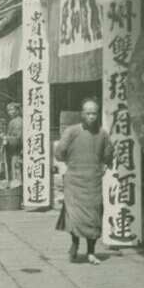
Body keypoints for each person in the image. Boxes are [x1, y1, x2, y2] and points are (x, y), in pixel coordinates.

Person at [56, 98, 114, 263]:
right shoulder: (72, 132)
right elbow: (59, 152)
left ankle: (91, 252)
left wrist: (105, 163)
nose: (91, 117)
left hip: (93, 181)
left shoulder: (102, 134)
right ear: (82, 114)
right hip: (74, 181)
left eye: (94, 113)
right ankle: (74, 244)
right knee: (74, 216)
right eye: (88, 113)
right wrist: (69, 161)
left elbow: (108, 154)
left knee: (93, 217)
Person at [4, 101, 23, 184]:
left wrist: (6, 138)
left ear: (17, 110)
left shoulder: (17, 122)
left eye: (12, 110)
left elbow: (17, 138)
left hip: (16, 150)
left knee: (16, 169)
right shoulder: (14, 121)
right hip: (15, 150)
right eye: (8, 110)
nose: (10, 112)